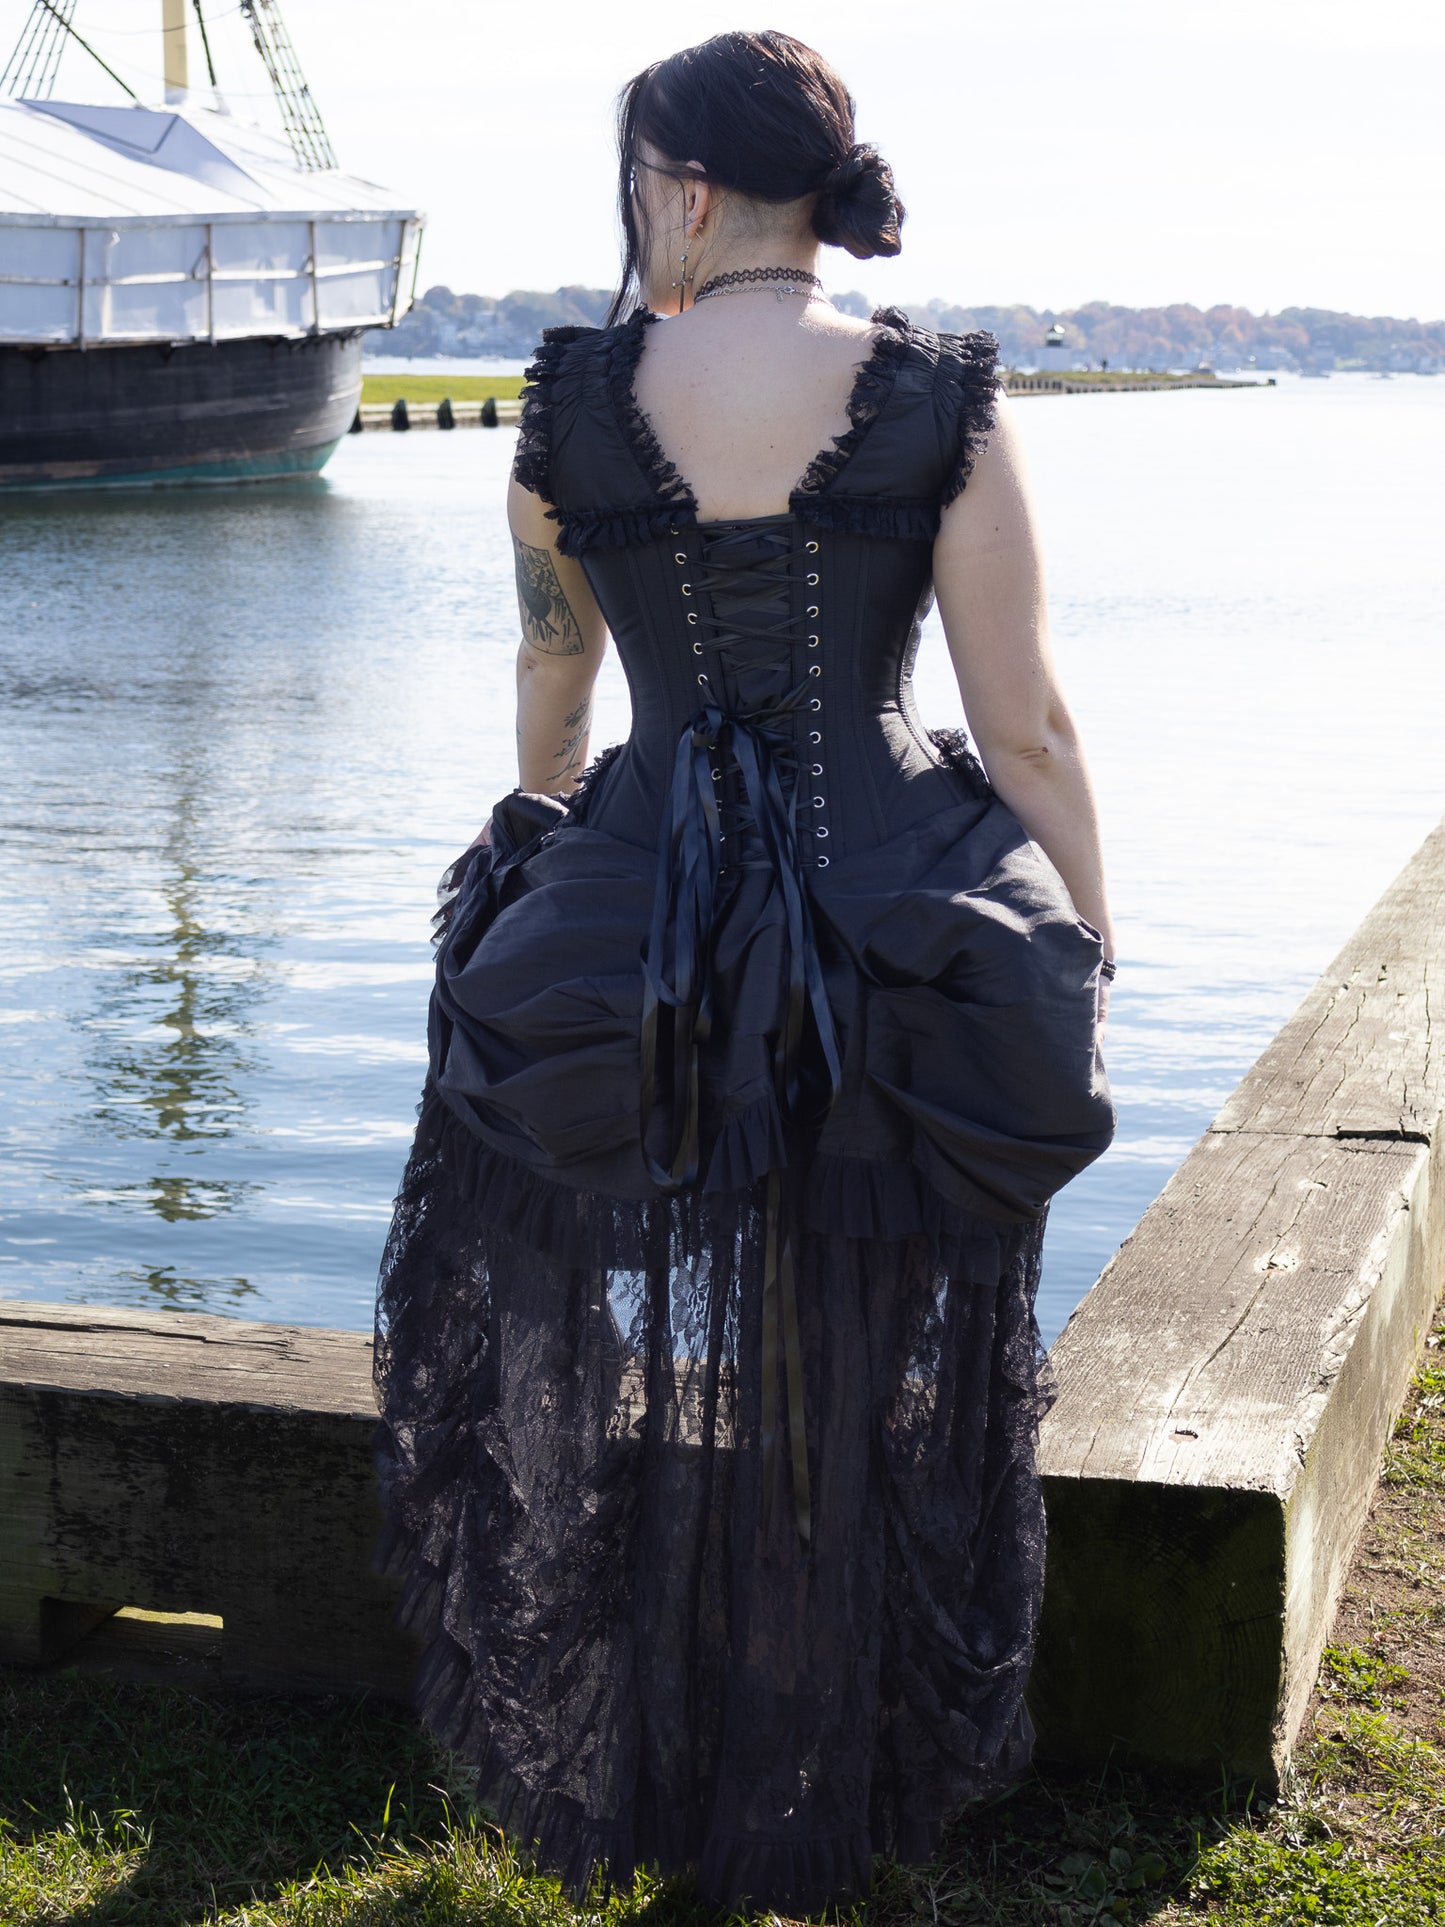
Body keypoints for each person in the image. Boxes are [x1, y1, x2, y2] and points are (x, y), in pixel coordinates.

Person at [372, 27, 1117, 1917]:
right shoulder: (940, 395)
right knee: (856, 1354)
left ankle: (665, 1752)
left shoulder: (567, 402)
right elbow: (1021, 724)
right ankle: (817, 1766)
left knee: (625, 1306)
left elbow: (555, 686)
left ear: (686, 190)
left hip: (640, 929)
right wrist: (1089, 937)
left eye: (636, 183)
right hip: (895, 930)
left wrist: (550, 854)